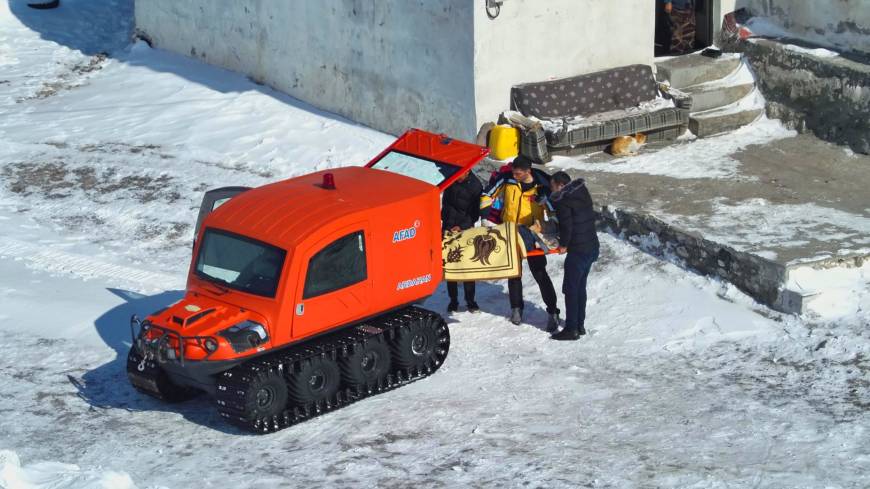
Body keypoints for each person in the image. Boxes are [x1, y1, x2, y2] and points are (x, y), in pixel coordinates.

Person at [482, 156, 560, 329]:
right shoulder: (506, 179)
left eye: (518, 173)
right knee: (513, 273)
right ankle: (516, 308)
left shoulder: (541, 187)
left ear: (527, 171)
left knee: (540, 274)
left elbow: (554, 212)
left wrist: (551, 227)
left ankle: (553, 311)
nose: (515, 175)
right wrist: (485, 217)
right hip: (509, 232)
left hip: (532, 236)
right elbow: (487, 194)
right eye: (513, 172)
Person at [549, 171, 599, 341]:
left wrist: (563, 245)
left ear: (561, 186)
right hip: (591, 246)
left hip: (578, 250)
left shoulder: (564, 201)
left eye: (553, 185)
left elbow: (567, 226)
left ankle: (571, 329)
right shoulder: (581, 192)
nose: (552, 189)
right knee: (579, 287)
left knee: (570, 289)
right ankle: (580, 325)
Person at [442, 170, 483, 313]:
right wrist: (445, 221)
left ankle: (471, 301)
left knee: (467, 266)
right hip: (448, 227)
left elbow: (475, 213)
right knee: (450, 265)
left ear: (467, 172)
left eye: (459, 175)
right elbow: (446, 202)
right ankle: (453, 300)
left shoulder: (476, 186)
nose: (457, 178)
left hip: (465, 229)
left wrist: (462, 226)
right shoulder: (451, 179)